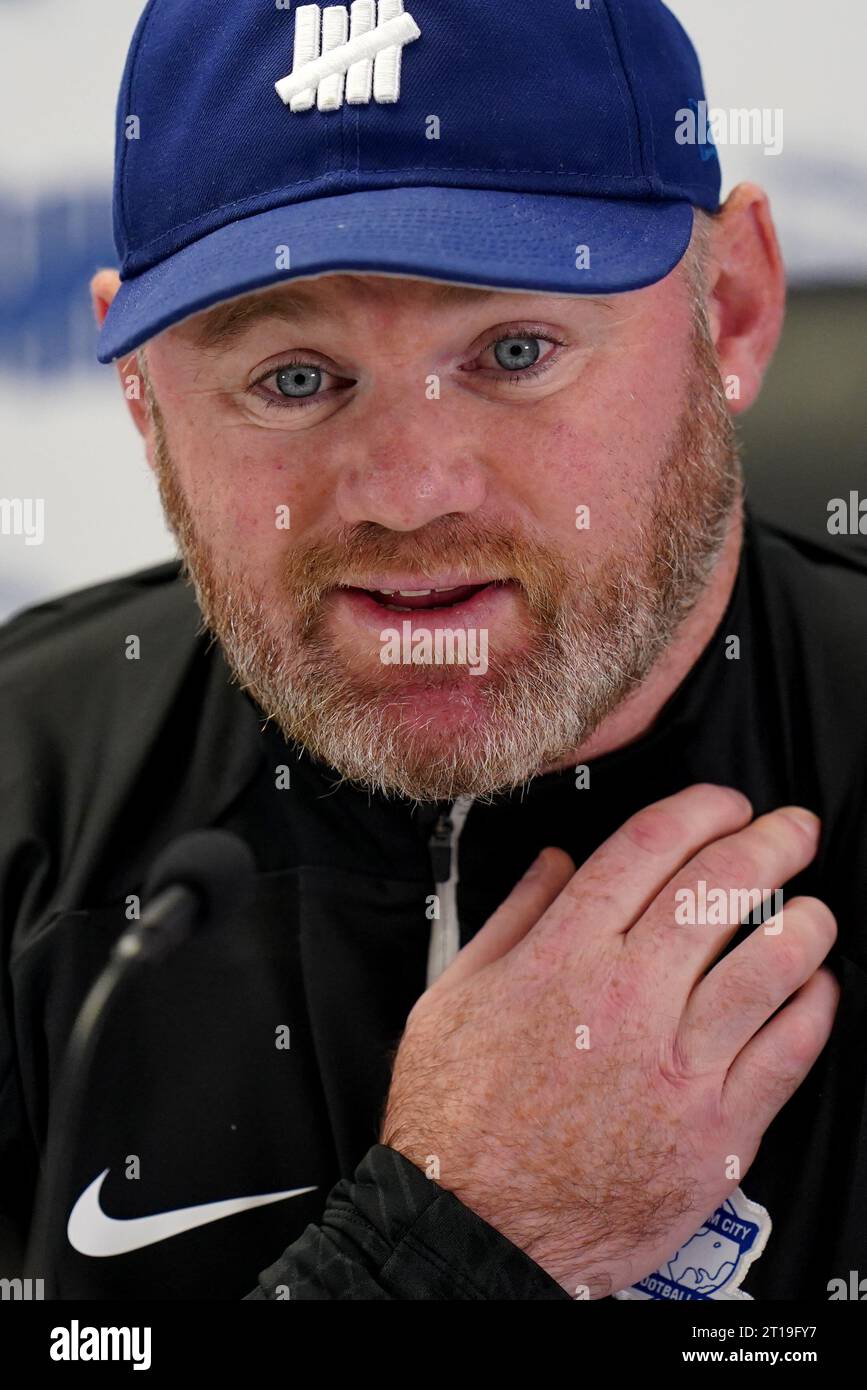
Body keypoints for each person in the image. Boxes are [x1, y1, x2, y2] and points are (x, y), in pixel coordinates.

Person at [1, 0, 864, 1302]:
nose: (406, 493)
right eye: (297, 378)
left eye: (514, 352)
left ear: (731, 310)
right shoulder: (21, 788)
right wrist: (453, 1245)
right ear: (144, 399)